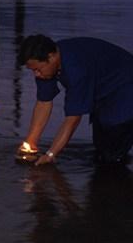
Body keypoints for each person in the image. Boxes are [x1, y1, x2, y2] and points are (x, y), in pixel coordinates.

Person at [17, 34, 133, 165]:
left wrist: (51, 154)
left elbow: (73, 119)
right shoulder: (47, 66)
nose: (36, 74)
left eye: (37, 69)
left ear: (51, 57)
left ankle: (118, 178)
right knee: (101, 145)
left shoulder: (76, 68)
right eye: (33, 70)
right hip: (102, 93)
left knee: (113, 147)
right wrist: (30, 142)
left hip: (126, 89)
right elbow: (44, 102)